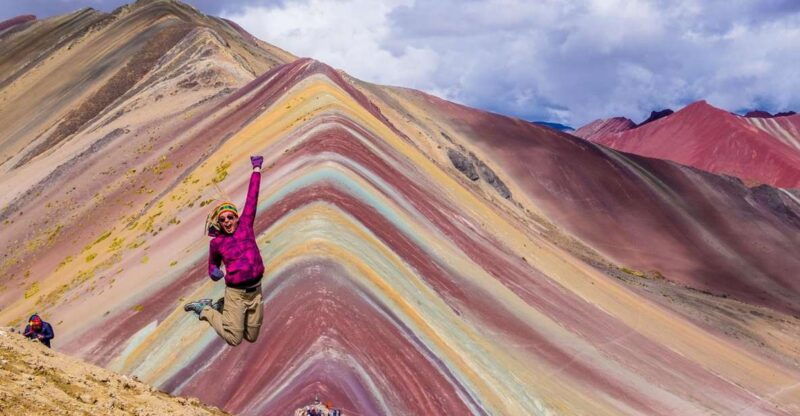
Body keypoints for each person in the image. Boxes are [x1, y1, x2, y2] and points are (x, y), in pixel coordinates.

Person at [184, 156, 265, 346]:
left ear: (237, 218)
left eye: (230, 217)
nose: (227, 221)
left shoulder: (246, 226)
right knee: (234, 339)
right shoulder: (217, 243)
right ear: (218, 223)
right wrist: (215, 272)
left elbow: (252, 198)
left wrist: (256, 169)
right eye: (223, 219)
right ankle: (205, 310)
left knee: (251, 337)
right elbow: (212, 266)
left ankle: (222, 306)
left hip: (256, 292)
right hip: (236, 293)